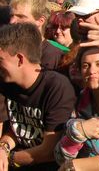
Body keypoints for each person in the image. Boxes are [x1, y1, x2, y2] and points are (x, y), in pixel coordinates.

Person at [0, 23, 76, 170]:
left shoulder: (56, 87)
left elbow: (49, 151)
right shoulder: (6, 83)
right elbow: (18, 130)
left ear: (20, 59)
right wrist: (3, 148)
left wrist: (8, 158)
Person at [10, 0, 65, 70]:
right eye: (12, 16)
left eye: (21, 17)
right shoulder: (7, 49)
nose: (12, 21)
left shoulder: (52, 54)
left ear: (40, 21)